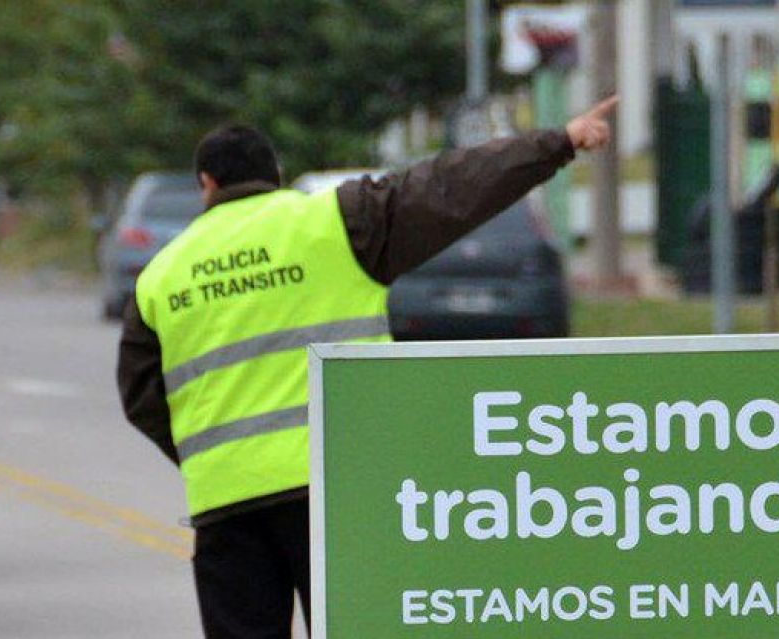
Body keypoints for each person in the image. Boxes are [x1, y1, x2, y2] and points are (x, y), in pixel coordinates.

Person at [117, 96, 618, 638]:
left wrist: (215, 453)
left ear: (206, 184)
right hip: (341, 492)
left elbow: (141, 396)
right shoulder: (337, 220)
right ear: (278, 176)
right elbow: (454, 185)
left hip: (228, 506)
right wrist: (560, 142)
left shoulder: (161, 276)